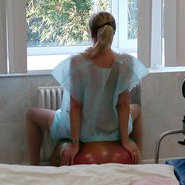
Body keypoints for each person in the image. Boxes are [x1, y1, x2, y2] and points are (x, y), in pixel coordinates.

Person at [26, 11, 148, 165]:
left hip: (82, 131)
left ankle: (34, 166)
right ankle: (140, 162)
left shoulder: (78, 62)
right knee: (137, 108)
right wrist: (125, 141)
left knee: (32, 114)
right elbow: (123, 104)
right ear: (113, 33)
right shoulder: (125, 62)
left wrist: (75, 143)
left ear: (92, 33)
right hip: (112, 129)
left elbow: (75, 106)